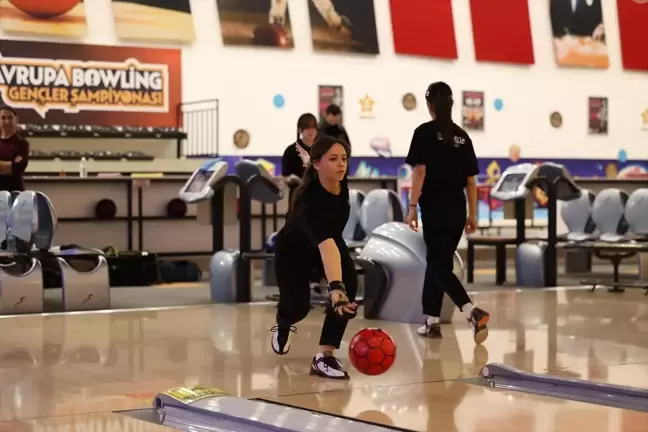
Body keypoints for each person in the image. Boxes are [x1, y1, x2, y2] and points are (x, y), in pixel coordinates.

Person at [404, 82, 490, 345]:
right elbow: (472, 181)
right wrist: (473, 214)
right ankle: (431, 321)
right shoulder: (463, 136)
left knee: (439, 265)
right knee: (438, 262)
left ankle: (470, 310)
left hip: (435, 208)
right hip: (457, 208)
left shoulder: (424, 132)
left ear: (430, 106)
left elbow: (420, 172)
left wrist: (411, 207)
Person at [270, 135, 358, 380]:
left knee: (349, 286)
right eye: (333, 159)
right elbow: (326, 245)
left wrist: (341, 290)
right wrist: (334, 288)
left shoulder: (340, 183)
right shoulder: (308, 202)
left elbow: (331, 242)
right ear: (318, 165)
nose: (341, 164)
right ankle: (283, 322)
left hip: (328, 241)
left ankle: (324, 356)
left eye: (344, 158)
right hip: (294, 252)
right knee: (298, 307)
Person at [0, 106, 29, 192]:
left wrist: (11, 167)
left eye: (10, 117)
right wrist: (8, 165)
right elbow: (11, 167)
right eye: (3, 118)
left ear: (15, 120)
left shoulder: (22, 144)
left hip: (15, 193)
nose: (7, 121)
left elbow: (17, 168)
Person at [281, 113, 318, 179]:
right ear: (300, 130)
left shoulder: (321, 149)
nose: (311, 131)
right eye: (307, 127)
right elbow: (285, 175)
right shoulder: (291, 151)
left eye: (313, 127)